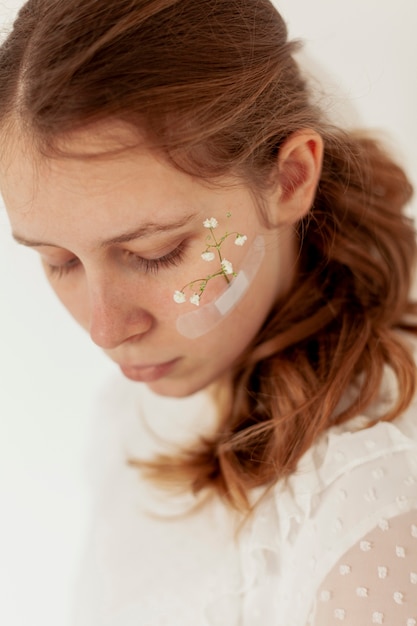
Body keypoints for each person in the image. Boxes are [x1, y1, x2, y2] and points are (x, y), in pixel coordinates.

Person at [0, 0, 416, 624]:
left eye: (155, 252)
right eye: (60, 261)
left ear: (290, 179)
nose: (105, 329)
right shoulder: (135, 415)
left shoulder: (370, 513)